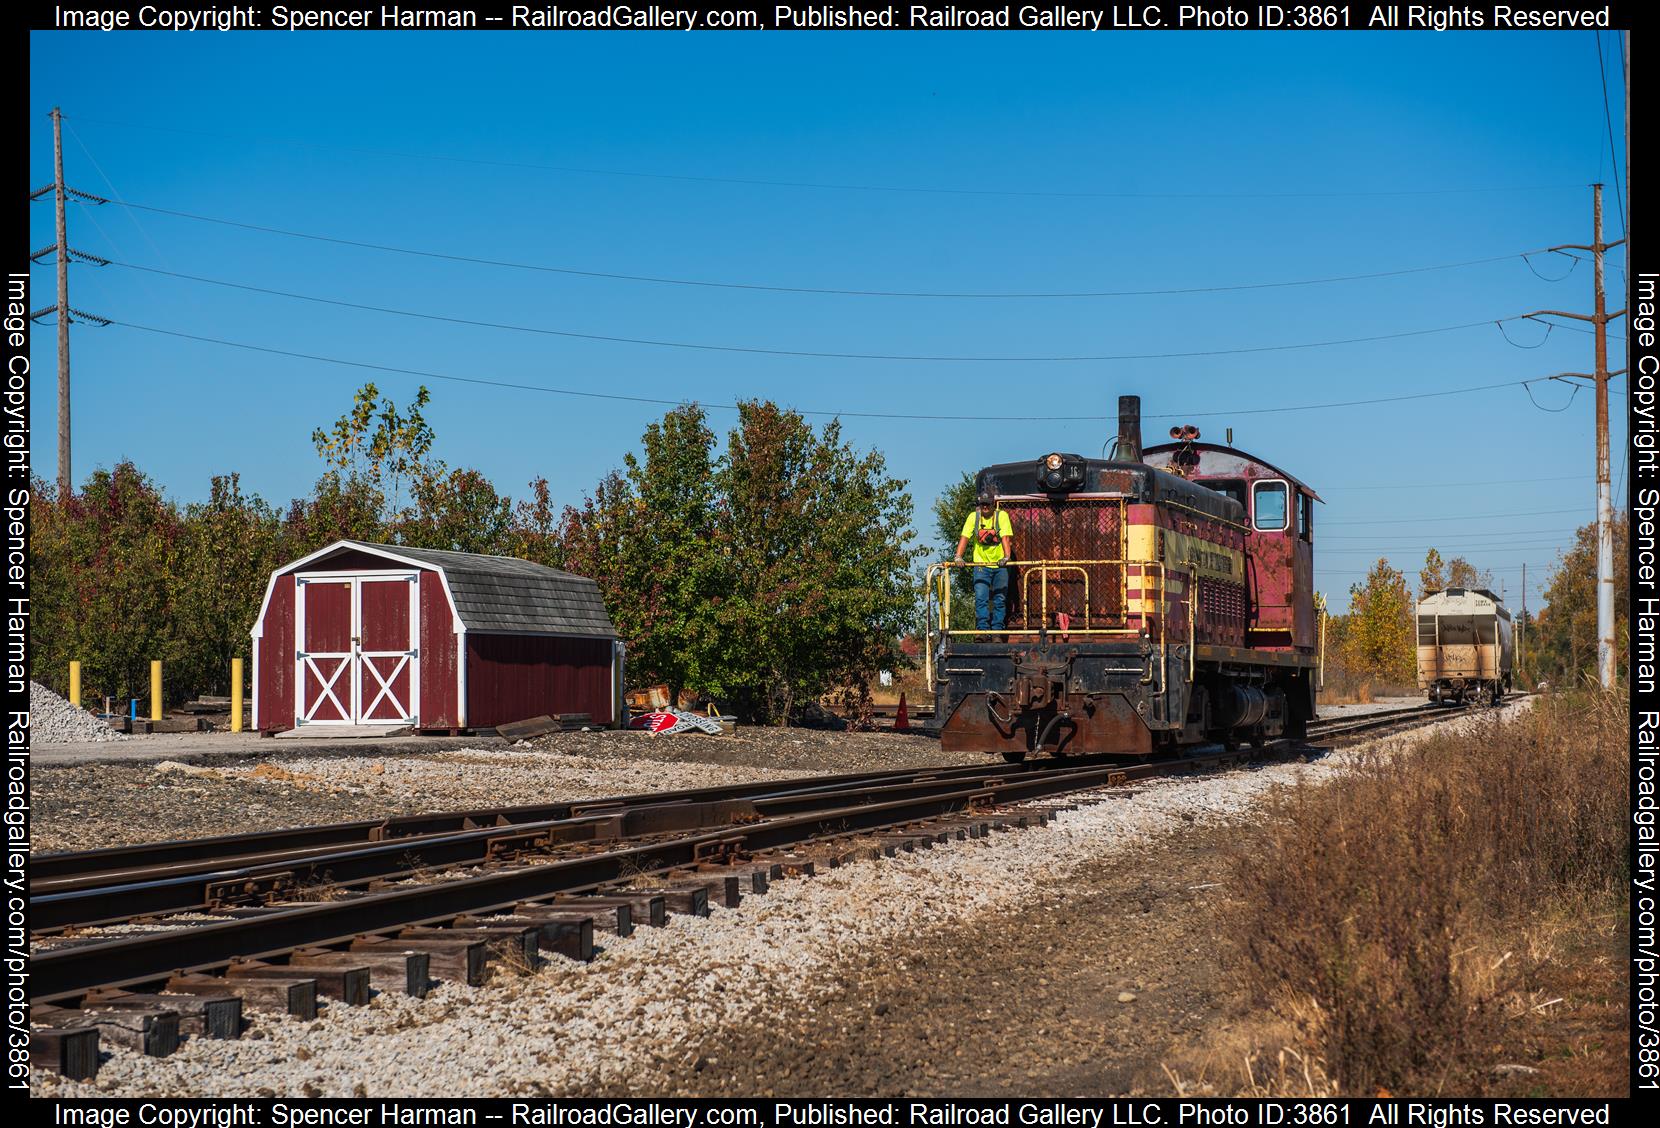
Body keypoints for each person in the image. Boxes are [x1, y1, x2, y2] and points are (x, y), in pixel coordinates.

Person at [954, 489, 1015, 631]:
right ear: (979, 505)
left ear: (993, 504)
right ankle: (982, 630)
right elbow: (965, 538)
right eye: (982, 504)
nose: (985, 507)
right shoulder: (973, 518)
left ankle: (997, 631)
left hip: (1000, 566)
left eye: (988, 504)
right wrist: (958, 556)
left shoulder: (1002, 516)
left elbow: (1005, 538)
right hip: (981, 565)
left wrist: (1006, 557)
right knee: (981, 598)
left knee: (999, 600)